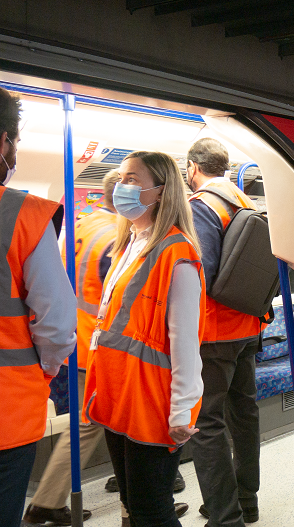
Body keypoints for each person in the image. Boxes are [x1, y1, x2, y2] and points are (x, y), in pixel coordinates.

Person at [83, 151, 206, 527]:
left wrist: (182, 409)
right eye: (121, 178)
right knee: (134, 507)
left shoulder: (177, 253)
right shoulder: (127, 245)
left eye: (132, 180)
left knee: (152, 513)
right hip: (119, 393)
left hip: (152, 400)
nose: (121, 187)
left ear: (161, 191)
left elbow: (185, 340)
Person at [0, 87, 77, 527]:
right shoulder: (23, 215)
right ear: (4, 141)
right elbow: (57, 321)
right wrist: (44, 370)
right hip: (6, 411)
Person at [23, 170, 118, 525]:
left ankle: (52, 500)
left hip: (74, 338)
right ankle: (46, 502)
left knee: (95, 419)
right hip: (101, 345)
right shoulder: (117, 237)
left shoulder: (81, 225)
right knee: (91, 421)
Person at [185, 138, 263, 526]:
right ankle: (247, 500)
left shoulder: (201, 205)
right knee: (244, 413)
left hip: (216, 334)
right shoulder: (244, 201)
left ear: (192, 168)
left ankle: (225, 516)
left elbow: (203, 273)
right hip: (248, 327)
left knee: (206, 424)